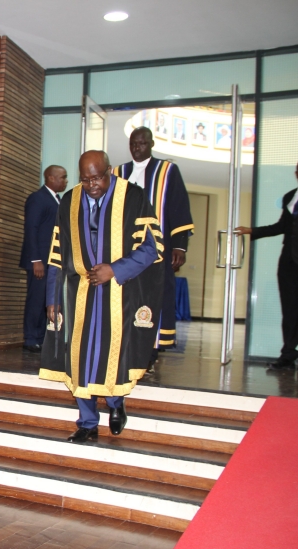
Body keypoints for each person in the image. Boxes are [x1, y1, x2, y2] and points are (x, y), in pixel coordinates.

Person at [40, 151, 163, 443]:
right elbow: (57, 252)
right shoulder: (69, 201)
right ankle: (87, 422)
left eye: (97, 178)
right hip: (78, 291)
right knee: (79, 357)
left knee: (113, 354)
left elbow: (151, 247)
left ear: (110, 170)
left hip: (120, 291)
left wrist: (115, 270)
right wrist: (52, 298)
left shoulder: (134, 197)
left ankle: (116, 404)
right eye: (85, 179)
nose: (92, 184)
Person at [236, 157, 298, 373]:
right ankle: (287, 357)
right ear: (297, 173)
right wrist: (252, 231)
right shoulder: (290, 197)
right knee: (290, 312)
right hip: (289, 264)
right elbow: (282, 227)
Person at [113, 126, 193, 368]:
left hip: (156, 249)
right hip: (125, 249)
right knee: (125, 296)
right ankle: (124, 344)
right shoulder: (119, 172)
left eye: (142, 143)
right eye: (133, 144)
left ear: (151, 144)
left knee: (154, 296)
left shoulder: (168, 170)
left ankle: (151, 348)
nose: (137, 148)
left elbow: (179, 207)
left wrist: (179, 247)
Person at [20, 165, 68, 352]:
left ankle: (40, 337)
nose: (65, 181)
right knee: (36, 299)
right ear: (50, 178)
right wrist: (35, 260)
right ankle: (31, 338)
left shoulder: (57, 200)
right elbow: (31, 229)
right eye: (63, 177)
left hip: (51, 261)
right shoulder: (37, 198)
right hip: (39, 261)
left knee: (46, 300)